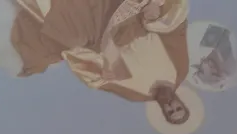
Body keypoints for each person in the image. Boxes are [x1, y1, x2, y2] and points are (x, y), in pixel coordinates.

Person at [11, 0, 192, 125]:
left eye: (170, 112)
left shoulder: (136, 95)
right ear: (182, 102)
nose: (171, 106)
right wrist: (155, 12)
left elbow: (101, 81)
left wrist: (104, 67)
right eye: (178, 108)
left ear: (163, 112)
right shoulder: (179, 70)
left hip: (104, 38)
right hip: (136, 19)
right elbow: (176, 30)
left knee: (72, 36)